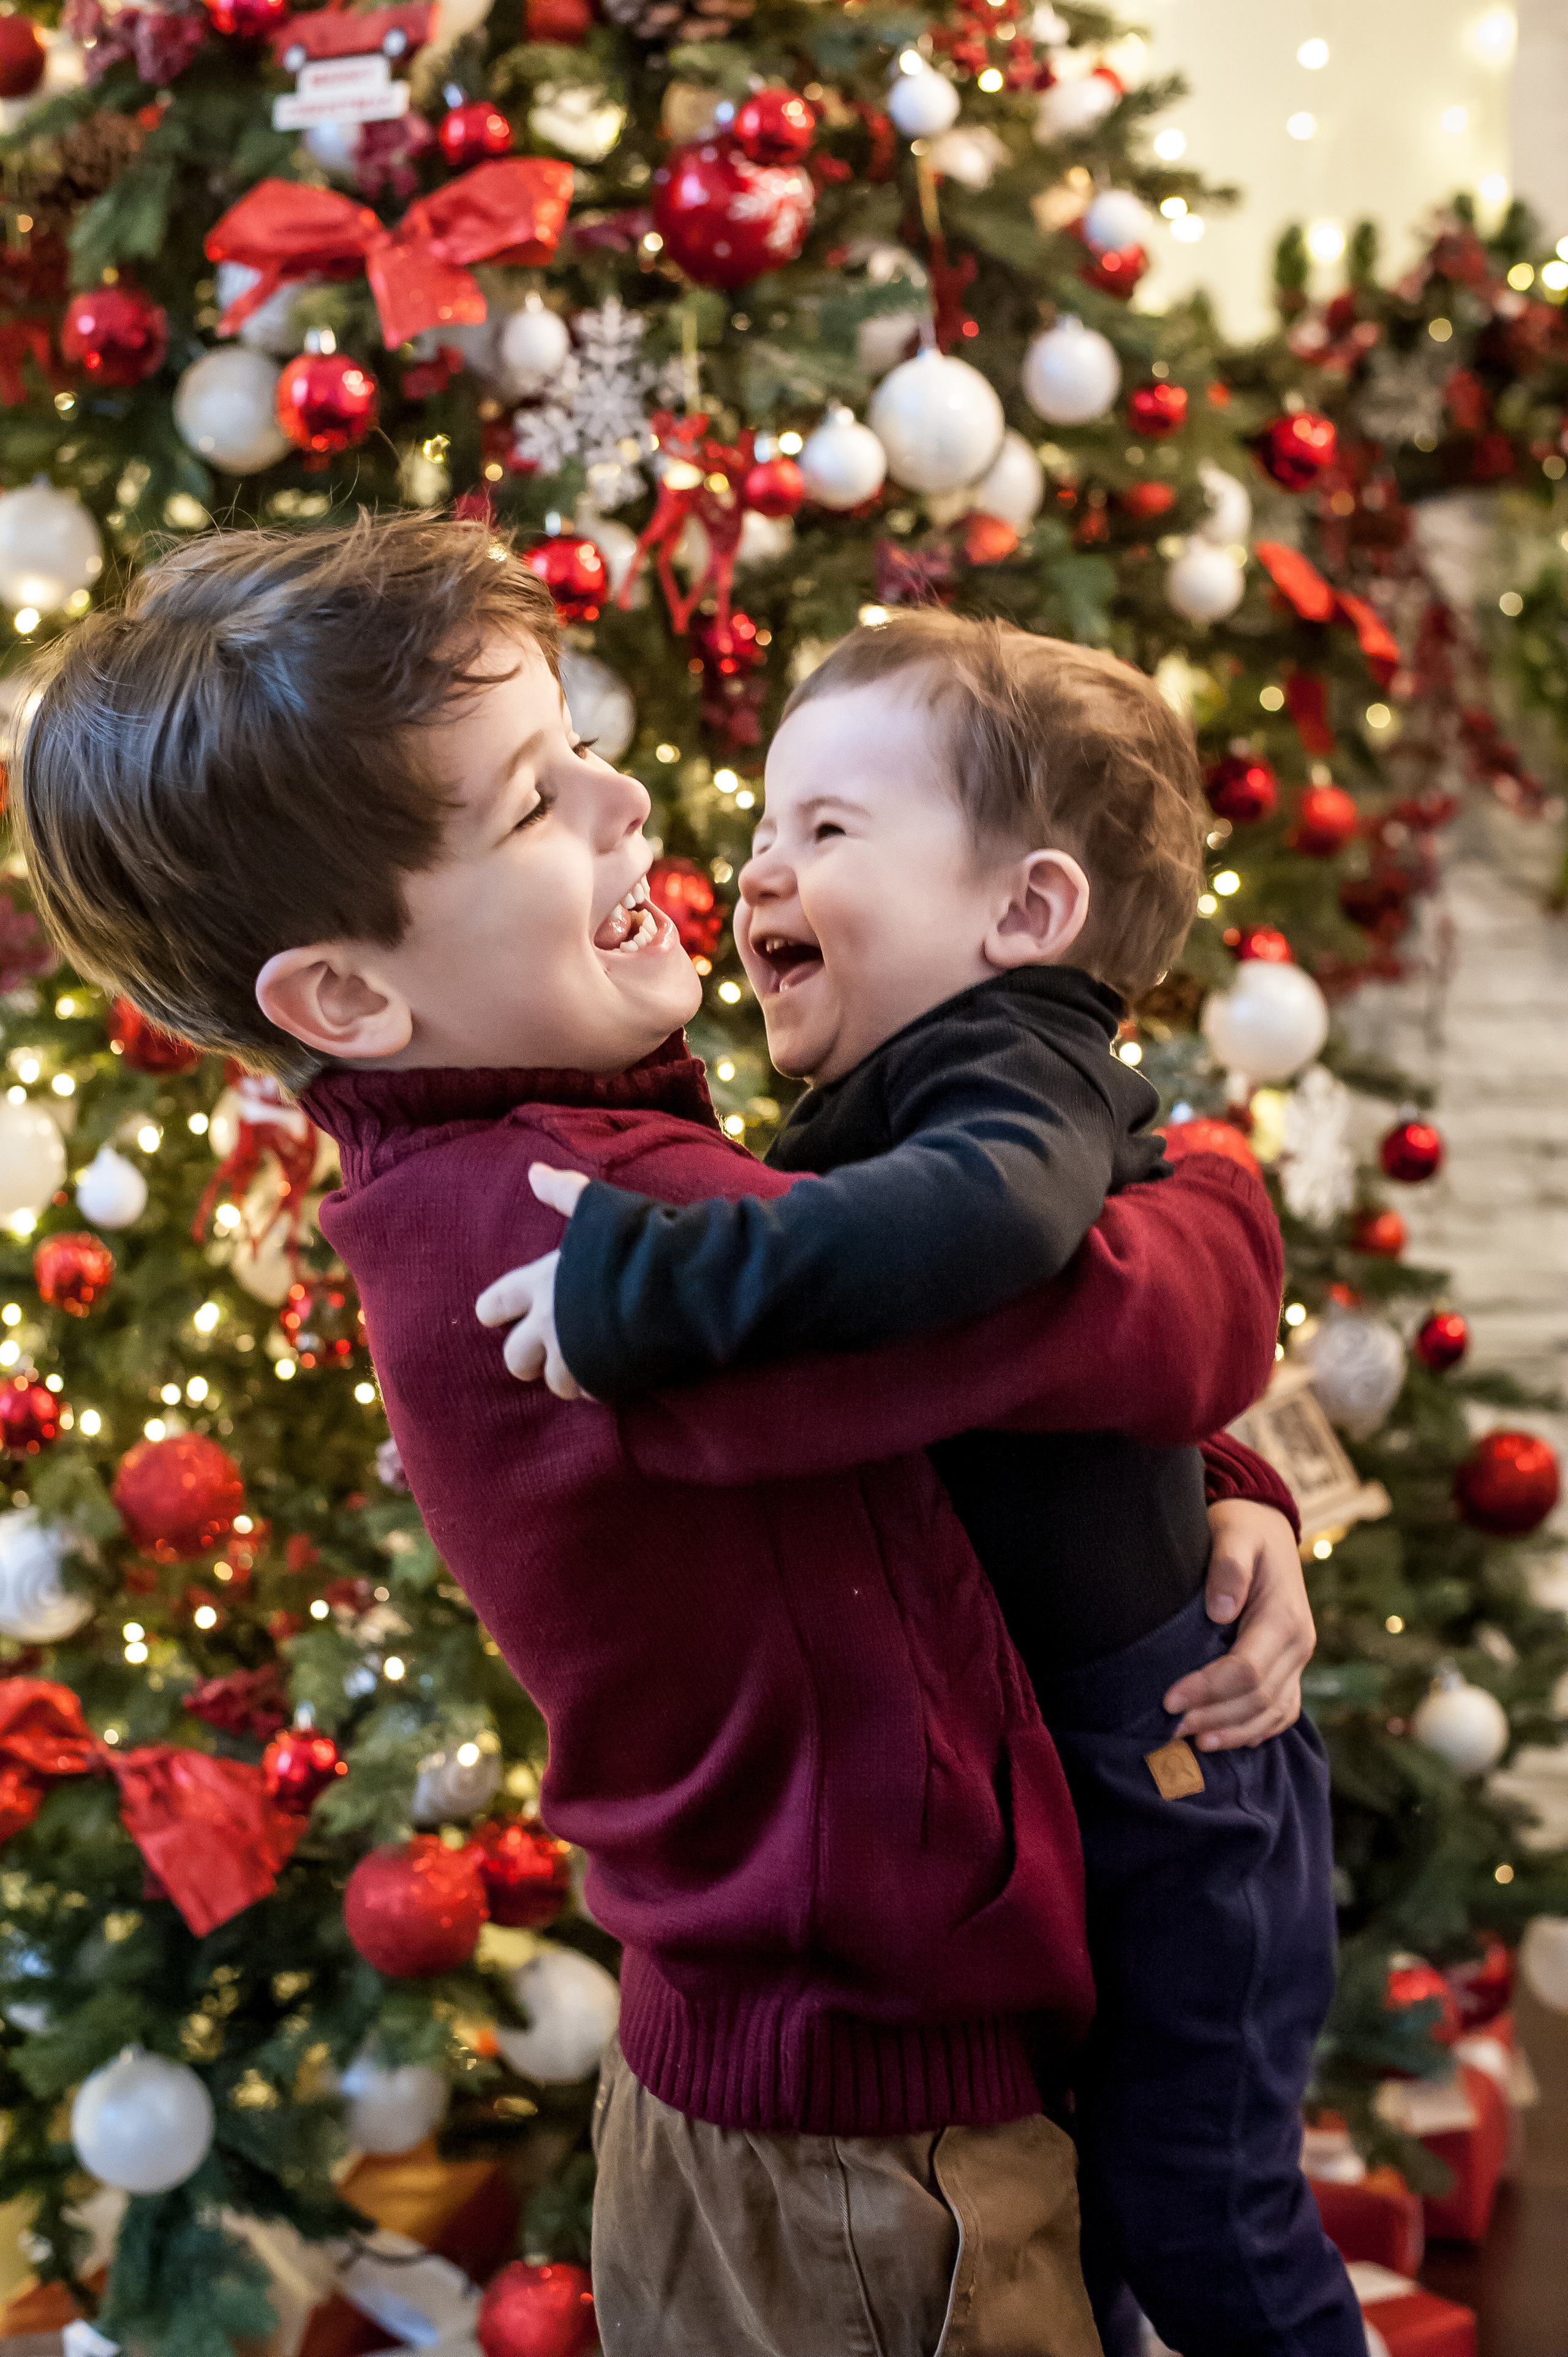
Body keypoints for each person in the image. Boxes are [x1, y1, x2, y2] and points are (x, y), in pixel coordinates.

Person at [17, 516, 1310, 2357]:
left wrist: (1227, 1488)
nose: (633, 804)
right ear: (349, 1001)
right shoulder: (575, 1239)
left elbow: (975, 1406)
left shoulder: (586, 1168)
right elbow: (1119, 1312)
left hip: (831, 2089)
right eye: (540, 800)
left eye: (587, 748)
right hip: (868, 2139)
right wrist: (1221, 1190)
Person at [483, 612, 1364, 2357]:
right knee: (1085, 2215)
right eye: (764, 825)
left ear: (1024, 916)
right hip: (1071, 1770)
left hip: (1168, 1777)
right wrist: (1225, 1468)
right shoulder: (895, 1097)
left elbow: (1007, 1234)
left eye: (828, 830)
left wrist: (649, 1287)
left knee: (1211, 2229)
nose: (755, 869)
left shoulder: (1005, 1063)